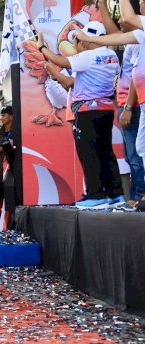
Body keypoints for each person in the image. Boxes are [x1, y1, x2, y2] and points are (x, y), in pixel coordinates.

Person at [39, 21, 124, 208]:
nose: (81, 41)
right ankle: (116, 194)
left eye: (83, 37)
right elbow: (71, 81)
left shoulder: (88, 56)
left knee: (89, 154)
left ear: (91, 37)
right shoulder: (112, 55)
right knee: (105, 152)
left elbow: (61, 62)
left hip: (87, 112)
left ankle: (96, 195)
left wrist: (41, 47)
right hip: (106, 110)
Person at [75, 0, 145, 209]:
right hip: (136, 101)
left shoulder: (137, 29)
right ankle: (138, 195)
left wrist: (129, 107)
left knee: (135, 154)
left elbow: (127, 19)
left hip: (132, 104)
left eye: (142, 2)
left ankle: (139, 194)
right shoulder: (138, 37)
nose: (141, 5)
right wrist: (88, 37)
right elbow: (118, 34)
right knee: (139, 150)